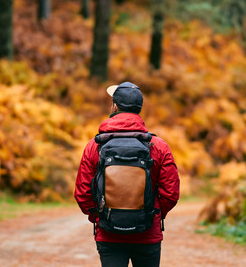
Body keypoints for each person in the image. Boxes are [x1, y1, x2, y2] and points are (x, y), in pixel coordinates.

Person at [74, 81, 180, 267]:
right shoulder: (159, 146)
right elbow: (171, 193)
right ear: (138, 109)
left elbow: (82, 193)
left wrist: (100, 216)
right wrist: (151, 214)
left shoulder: (95, 146)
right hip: (148, 234)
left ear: (115, 106)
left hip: (108, 234)